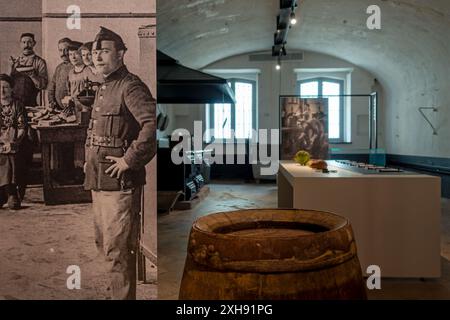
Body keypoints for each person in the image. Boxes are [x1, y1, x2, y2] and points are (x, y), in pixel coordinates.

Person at [84, 26, 156, 300]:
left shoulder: (131, 86)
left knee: (117, 250)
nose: (98, 57)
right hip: (99, 179)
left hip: (120, 183)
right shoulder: (105, 86)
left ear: (121, 54)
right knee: (104, 244)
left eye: (104, 51)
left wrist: (129, 159)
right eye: (94, 52)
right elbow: (95, 131)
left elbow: (152, 126)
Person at [0, 74, 27, 210]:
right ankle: (3, 191)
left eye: (5, 87)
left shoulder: (18, 105)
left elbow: (22, 128)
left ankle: (11, 191)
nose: (2, 91)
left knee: (11, 154)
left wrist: (14, 142)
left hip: (14, 141)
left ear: (11, 89)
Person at [10, 33, 48, 107]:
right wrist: (11, 67)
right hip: (15, 104)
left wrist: (32, 76)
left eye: (29, 42)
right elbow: (10, 83)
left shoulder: (39, 62)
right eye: (24, 42)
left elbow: (43, 85)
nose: (26, 45)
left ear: (34, 43)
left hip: (31, 104)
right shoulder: (16, 61)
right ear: (20, 44)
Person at [48, 38, 73, 110]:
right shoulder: (59, 68)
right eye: (60, 50)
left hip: (71, 109)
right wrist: (51, 102)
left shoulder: (76, 67)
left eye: (66, 50)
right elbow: (52, 87)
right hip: (58, 109)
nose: (63, 53)